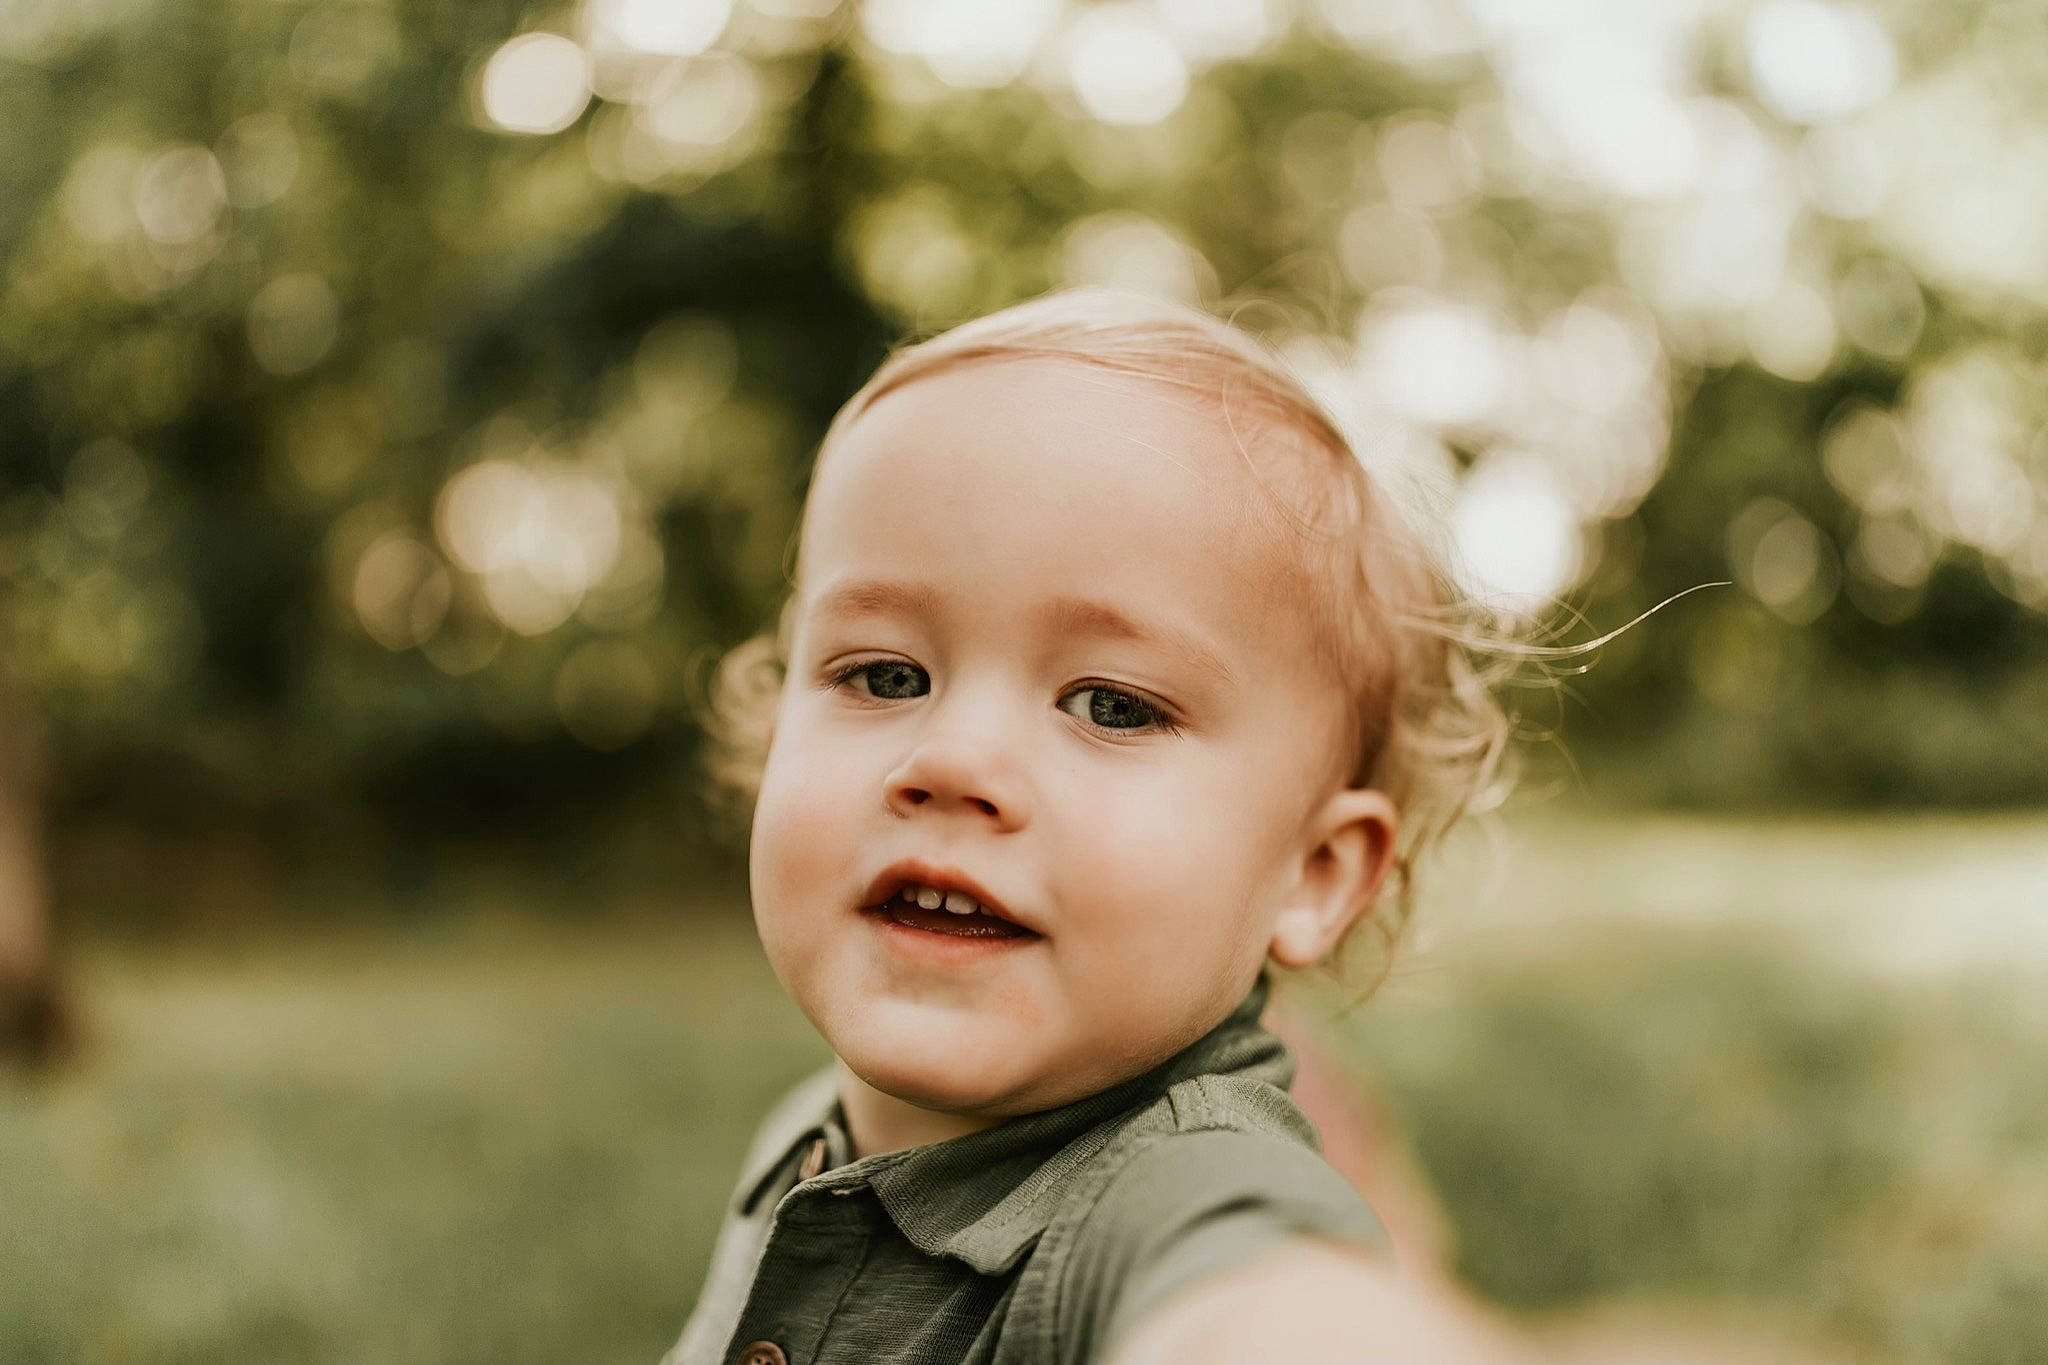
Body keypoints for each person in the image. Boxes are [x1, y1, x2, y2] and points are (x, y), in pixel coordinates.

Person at [666, 288, 1531, 1365]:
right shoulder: (811, 1139)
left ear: (1310, 872)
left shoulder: (1168, 1194)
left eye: (1111, 706)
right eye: (885, 674)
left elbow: (1260, 1313)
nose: (949, 761)